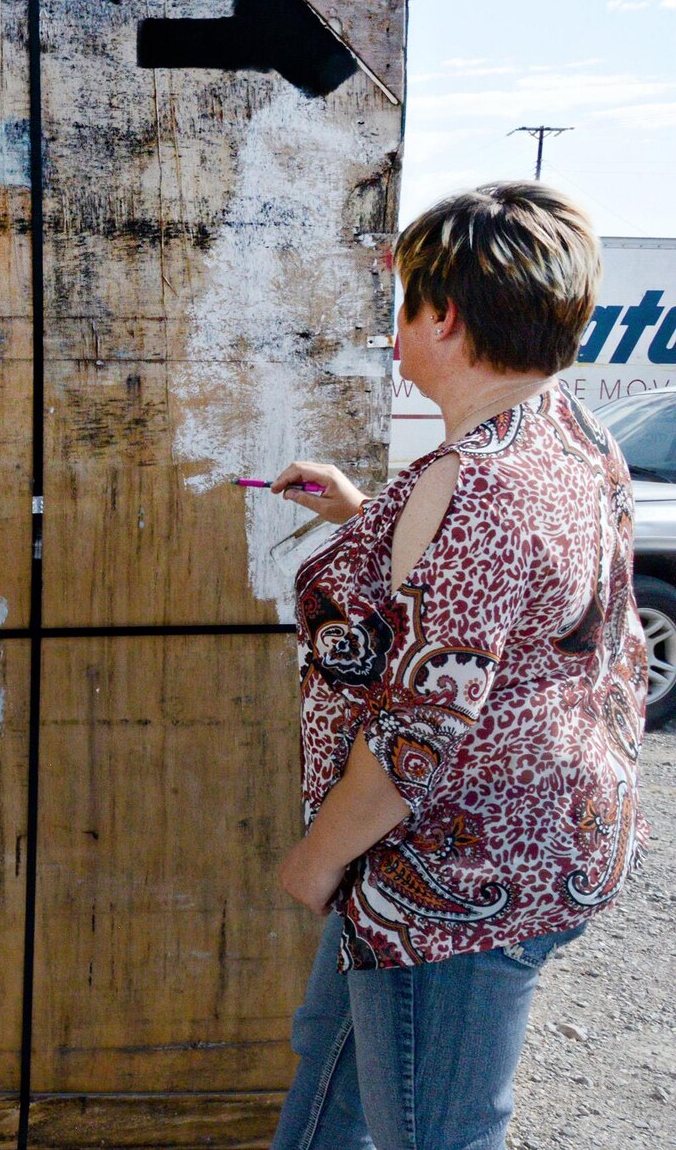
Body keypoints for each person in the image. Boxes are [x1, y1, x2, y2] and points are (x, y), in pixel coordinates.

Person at [265, 182, 648, 1150]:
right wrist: (365, 515)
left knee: (432, 1131)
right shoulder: (571, 437)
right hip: (553, 839)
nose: (393, 335)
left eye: (401, 307)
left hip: (451, 874)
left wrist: (317, 859)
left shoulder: (470, 483)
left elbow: (415, 732)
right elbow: (508, 602)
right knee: (338, 1061)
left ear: (441, 313)